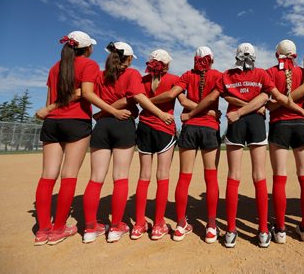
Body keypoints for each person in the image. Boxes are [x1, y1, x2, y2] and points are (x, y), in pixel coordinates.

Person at [184, 42, 304, 248]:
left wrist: (192, 112)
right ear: (254, 56)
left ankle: (231, 232)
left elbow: (215, 96)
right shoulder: (261, 74)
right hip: (256, 124)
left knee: (233, 176)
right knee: (259, 176)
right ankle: (262, 231)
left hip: (235, 122)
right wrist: (301, 111)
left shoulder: (227, 75)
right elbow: (275, 97)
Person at [34, 31, 130, 246]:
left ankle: (42, 231)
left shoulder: (54, 68)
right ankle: (58, 228)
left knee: (48, 175)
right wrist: (111, 111)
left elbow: (50, 99)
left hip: (52, 122)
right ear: (87, 49)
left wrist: (51, 108)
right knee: (69, 175)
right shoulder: (89, 65)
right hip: (76, 121)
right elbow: (86, 93)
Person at [82, 42, 174, 243]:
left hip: (102, 126)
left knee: (95, 178)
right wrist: (160, 113)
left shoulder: (99, 74)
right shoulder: (132, 75)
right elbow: (137, 97)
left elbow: (91, 97)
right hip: (123, 124)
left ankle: (89, 229)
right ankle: (116, 227)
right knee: (120, 177)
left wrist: (102, 112)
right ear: (129, 58)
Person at [148, 46, 223, 243]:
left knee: (184, 177)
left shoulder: (187, 75)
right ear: (211, 60)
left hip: (190, 128)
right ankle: (211, 227)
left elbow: (180, 98)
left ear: (194, 59)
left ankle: (180, 226)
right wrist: (209, 112)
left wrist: (191, 113)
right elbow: (216, 98)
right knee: (211, 178)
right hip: (210, 128)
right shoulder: (218, 75)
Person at [264, 40, 304, 243]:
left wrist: (275, 106)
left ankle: (281, 229)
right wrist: (301, 109)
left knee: (279, 177)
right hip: (301, 125)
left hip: (279, 126)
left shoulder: (269, 72)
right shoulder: (303, 72)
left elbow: (268, 103)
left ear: (277, 55)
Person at [131, 49, 178, 241]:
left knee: (144, 176)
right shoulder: (174, 78)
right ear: (167, 64)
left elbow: (137, 100)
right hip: (165, 127)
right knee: (163, 175)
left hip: (144, 127)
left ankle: (139, 224)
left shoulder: (142, 80)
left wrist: (147, 102)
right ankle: (159, 224)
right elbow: (178, 98)